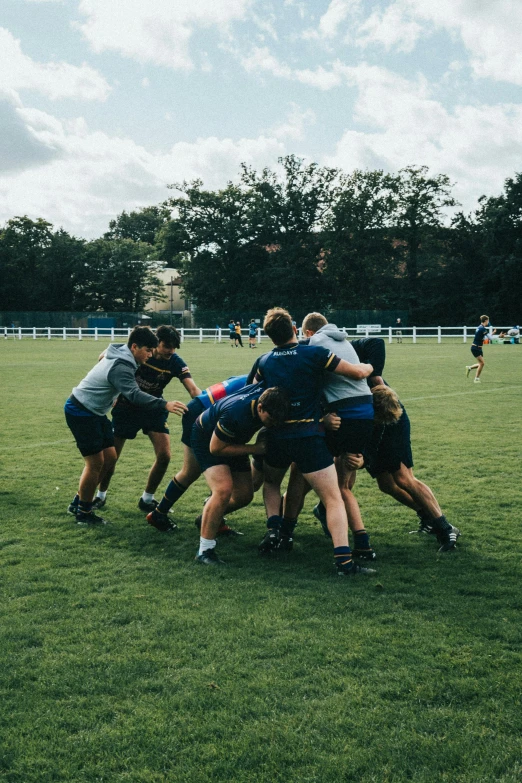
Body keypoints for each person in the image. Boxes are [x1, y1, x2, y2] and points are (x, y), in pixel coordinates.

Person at [249, 307, 376, 577]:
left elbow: (252, 391)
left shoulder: (264, 361)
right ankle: (344, 563)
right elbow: (354, 373)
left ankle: (277, 533)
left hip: (278, 438)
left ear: (269, 336)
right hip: (309, 436)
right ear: (294, 329)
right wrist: (368, 367)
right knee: (332, 498)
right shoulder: (314, 353)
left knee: (272, 482)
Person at [347, 336, 460, 552]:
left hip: (389, 414)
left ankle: (445, 527)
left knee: (403, 477)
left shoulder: (343, 349)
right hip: (369, 418)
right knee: (386, 484)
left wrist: (374, 373)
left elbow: (376, 342)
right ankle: (426, 517)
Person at [64, 327, 187, 525]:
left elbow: (112, 350)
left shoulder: (126, 354)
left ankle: (79, 502)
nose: (150, 355)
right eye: (148, 350)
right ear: (135, 347)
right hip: (81, 411)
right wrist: (165, 404)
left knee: (110, 457)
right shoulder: (123, 365)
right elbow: (134, 394)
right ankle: (83, 513)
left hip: (95, 412)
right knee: (95, 463)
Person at [93, 325, 201, 513]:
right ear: (155, 342)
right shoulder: (140, 354)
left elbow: (193, 389)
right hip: (126, 408)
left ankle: (147, 499)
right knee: (112, 457)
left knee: (164, 456)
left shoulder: (174, 362)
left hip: (154, 409)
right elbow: (106, 355)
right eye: (167, 346)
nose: (171, 351)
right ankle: (99, 496)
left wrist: (207, 404)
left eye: (174, 347)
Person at [300, 312, 377, 560]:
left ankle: (282, 528)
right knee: (344, 485)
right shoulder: (343, 341)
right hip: (366, 411)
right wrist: (369, 367)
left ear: (309, 332)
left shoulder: (315, 343)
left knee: (303, 472)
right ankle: (363, 543)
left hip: (343, 414)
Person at [191, 384, 291, 565]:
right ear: (260, 408)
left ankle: (208, 516)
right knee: (223, 490)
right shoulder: (237, 413)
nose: (274, 423)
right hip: (207, 440)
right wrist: (255, 448)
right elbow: (216, 448)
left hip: (233, 440)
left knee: (244, 495)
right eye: (271, 419)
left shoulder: (268, 399)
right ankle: (204, 550)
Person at [147, 374, 249, 533]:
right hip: (200, 412)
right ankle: (158, 514)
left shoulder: (257, 373)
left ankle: (214, 517)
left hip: (203, 408)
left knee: (215, 471)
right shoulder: (266, 380)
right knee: (192, 471)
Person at [466, 315, 490, 383]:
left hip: (478, 348)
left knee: (480, 363)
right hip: (475, 348)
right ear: (485, 321)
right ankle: (476, 379)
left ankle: (469, 368)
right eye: (488, 320)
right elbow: (490, 338)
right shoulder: (482, 329)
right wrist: (499, 336)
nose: (488, 322)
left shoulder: (480, 327)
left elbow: (484, 338)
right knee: (482, 363)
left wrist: (492, 334)